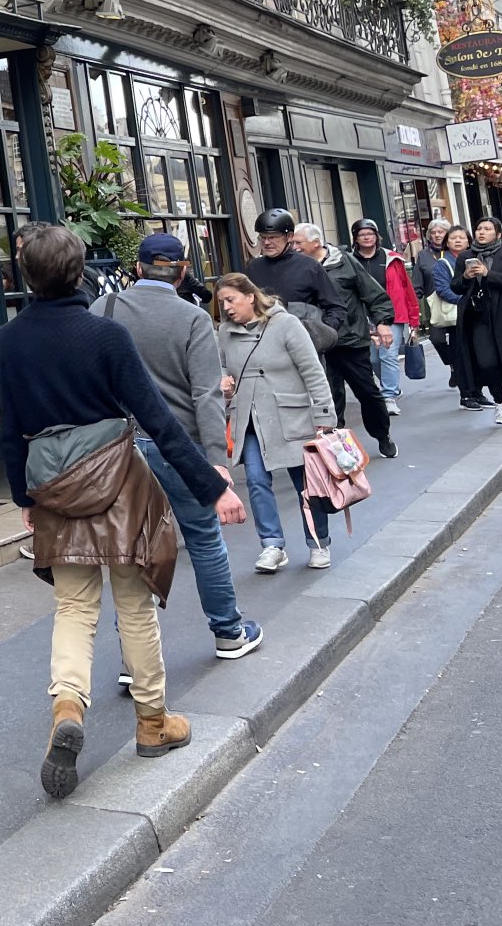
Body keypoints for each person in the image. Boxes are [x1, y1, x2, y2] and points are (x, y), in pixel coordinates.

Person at [0, 225, 245, 800]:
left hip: (54, 484)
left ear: (25, 275)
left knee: (73, 608)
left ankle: (67, 706)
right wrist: (211, 488)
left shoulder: (11, 340)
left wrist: (23, 498)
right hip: (118, 482)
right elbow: (158, 419)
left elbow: (9, 429)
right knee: (135, 604)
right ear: (80, 269)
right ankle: (153, 722)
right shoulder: (104, 335)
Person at [100, 233, 263, 668]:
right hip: (180, 447)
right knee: (204, 539)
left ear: (136, 268)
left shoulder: (105, 310)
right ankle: (228, 631)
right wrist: (217, 461)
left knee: (131, 549)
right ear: (183, 271)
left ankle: (134, 660)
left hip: (119, 448)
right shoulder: (192, 319)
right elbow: (206, 396)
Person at [216, 274, 338, 572]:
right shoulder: (224, 333)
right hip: (250, 419)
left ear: (250, 296)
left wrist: (324, 415)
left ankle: (318, 542)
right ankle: (272, 545)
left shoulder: (285, 324)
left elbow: (312, 371)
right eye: (221, 303)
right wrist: (224, 386)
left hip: (292, 415)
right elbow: (219, 368)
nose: (226, 308)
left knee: (306, 485)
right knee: (257, 481)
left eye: (230, 300)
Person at [291, 221, 395, 459]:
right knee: (328, 396)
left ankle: (382, 435)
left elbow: (373, 293)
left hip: (350, 340)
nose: (293, 246)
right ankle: (335, 449)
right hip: (315, 342)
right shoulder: (295, 267)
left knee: (367, 392)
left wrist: (382, 322)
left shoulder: (344, 261)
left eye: (298, 242)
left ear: (316, 242)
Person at [350, 218, 418, 419]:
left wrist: (414, 319)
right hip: (363, 316)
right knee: (372, 358)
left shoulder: (392, 259)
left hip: (391, 315)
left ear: (376, 236)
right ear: (356, 238)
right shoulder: (350, 260)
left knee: (388, 355)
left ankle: (388, 395)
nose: (367, 237)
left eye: (370, 233)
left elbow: (407, 289)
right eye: (362, 234)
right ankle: (391, 387)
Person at [245, 209, 346, 336]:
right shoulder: (253, 267)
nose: (266, 242)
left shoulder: (310, 266)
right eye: (263, 237)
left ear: (289, 237)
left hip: (302, 342)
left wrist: (320, 335)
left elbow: (336, 308)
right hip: (263, 343)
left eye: (273, 237)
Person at [458, 219, 502, 425]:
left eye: (487, 229)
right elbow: (456, 286)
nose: (482, 232)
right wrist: (465, 276)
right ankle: (500, 402)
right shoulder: (466, 256)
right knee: (487, 363)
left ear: (498, 234)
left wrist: (489, 274)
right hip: (479, 317)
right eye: (479, 228)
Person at [434, 226, 484, 409]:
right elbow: (442, 289)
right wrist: (464, 301)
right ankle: (467, 394)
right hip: (457, 316)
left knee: (478, 354)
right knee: (461, 355)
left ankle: (478, 392)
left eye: (461, 238)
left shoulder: (476, 258)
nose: (457, 241)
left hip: (477, 314)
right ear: (447, 242)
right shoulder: (443, 263)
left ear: (468, 240)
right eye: (453, 238)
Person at [418, 220, 464, 395]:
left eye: (441, 232)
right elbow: (418, 279)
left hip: (455, 304)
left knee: (457, 340)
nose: (437, 235)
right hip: (435, 304)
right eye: (433, 232)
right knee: (436, 339)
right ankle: (453, 364)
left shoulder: (455, 254)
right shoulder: (424, 255)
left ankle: (459, 371)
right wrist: (416, 300)